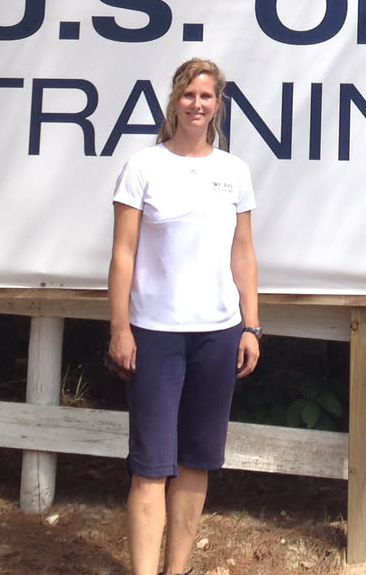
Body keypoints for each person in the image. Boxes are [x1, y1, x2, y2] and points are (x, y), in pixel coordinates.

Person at [108, 57, 261, 575]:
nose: (197, 104)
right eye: (189, 94)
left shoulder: (234, 172)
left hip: (218, 335)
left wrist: (251, 326)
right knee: (150, 467)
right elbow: (123, 254)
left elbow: (243, 252)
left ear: (218, 105)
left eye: (206, 96)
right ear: (174, 101)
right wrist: (120, 327)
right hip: (154, 335)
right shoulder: (143, 167)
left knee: (196, 461)